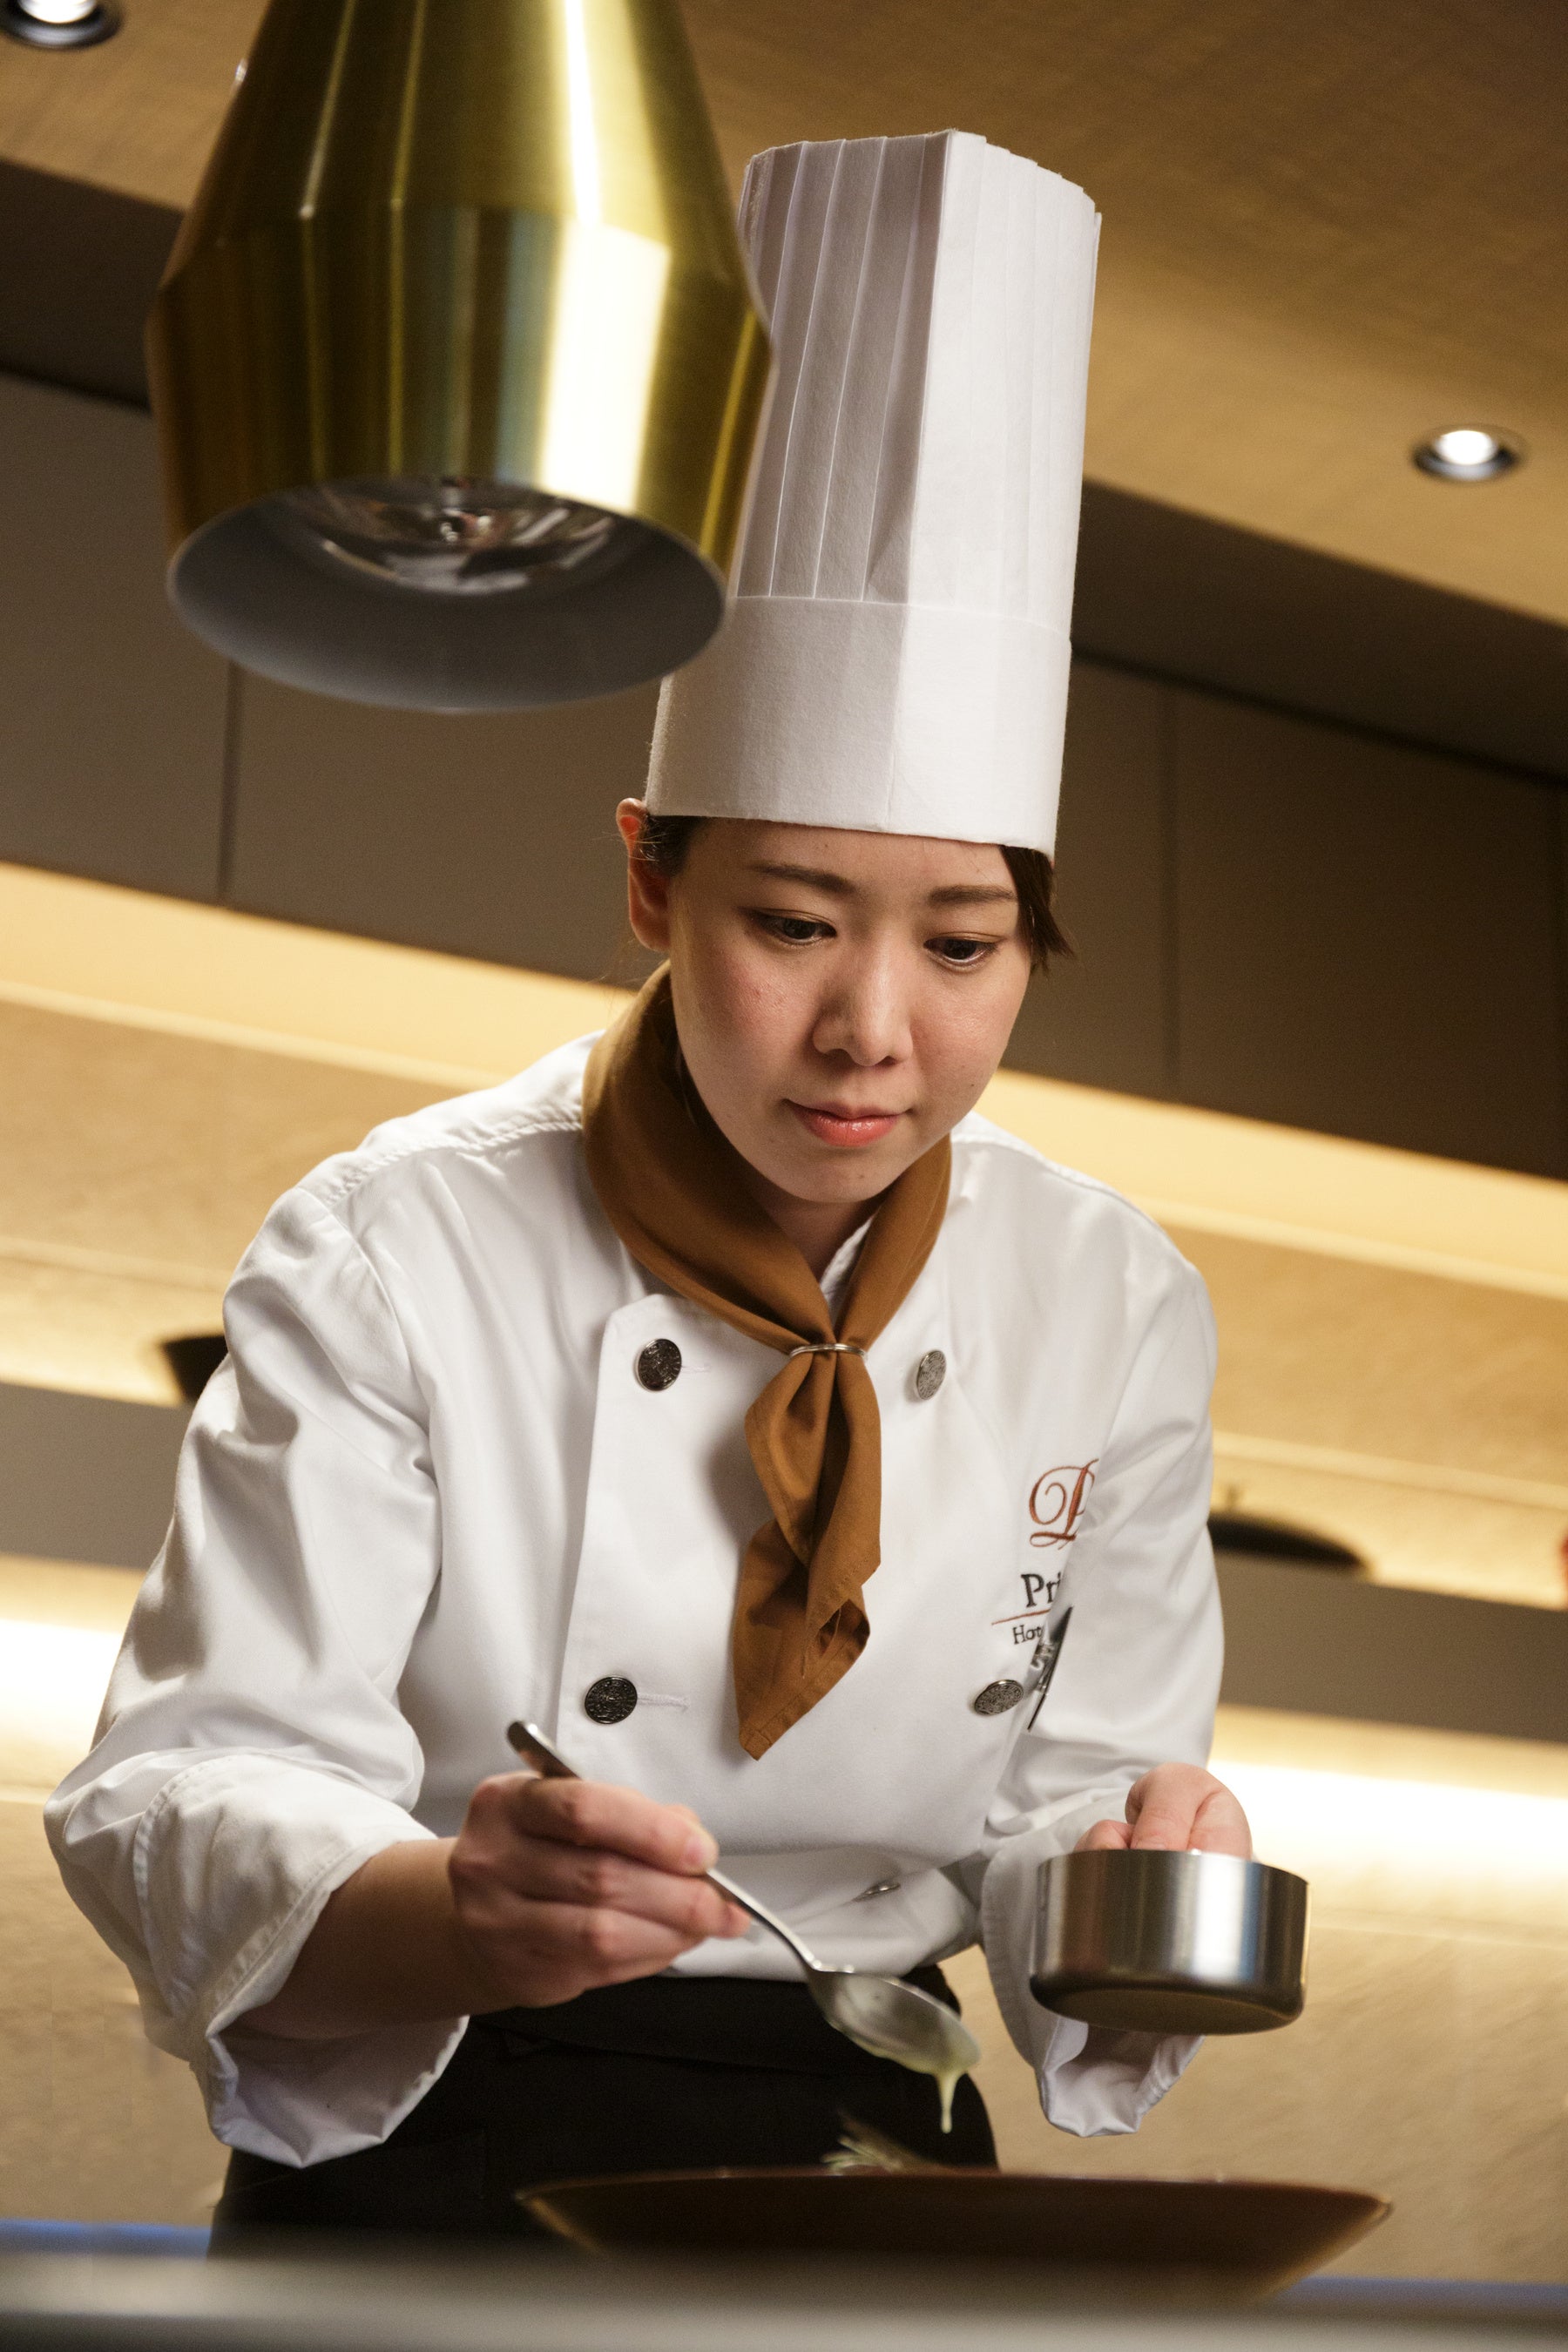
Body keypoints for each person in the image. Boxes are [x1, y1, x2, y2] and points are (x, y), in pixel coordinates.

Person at [47, 131, 1248, 2244]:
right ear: (647, 880)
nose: (874, 1031)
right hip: (452, 2125)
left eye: (965, 944)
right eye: (792, 923)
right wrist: (454, 1906)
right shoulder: (400, 1240)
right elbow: (185, 1783)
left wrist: (1141, 1878)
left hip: (883, 2137)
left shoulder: (1111, 1298)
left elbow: (1057, 1814)